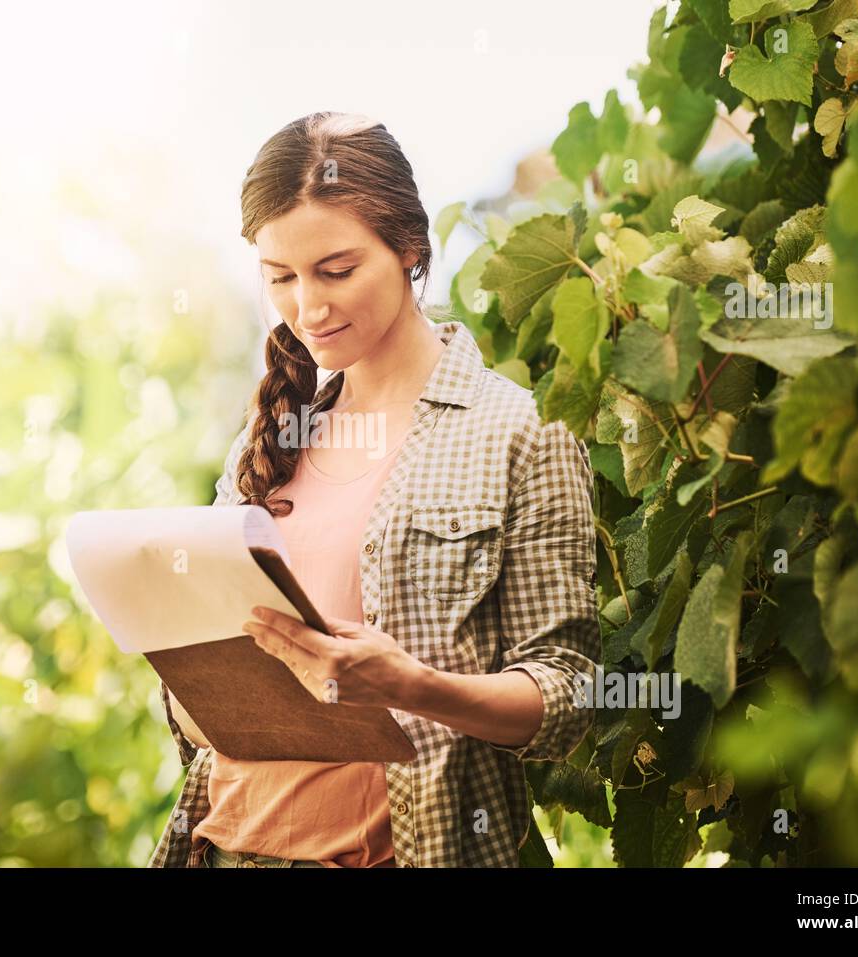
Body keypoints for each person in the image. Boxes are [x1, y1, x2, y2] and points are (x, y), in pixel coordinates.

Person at [148, 111, 600, 868]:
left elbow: (567, 697)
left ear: (411, 250)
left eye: (336, 270)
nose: (308, 309)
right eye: (280, 278)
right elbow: (206, 714)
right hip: (218, 845)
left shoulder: (518, 433)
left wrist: (414, 686)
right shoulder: (271, 440)